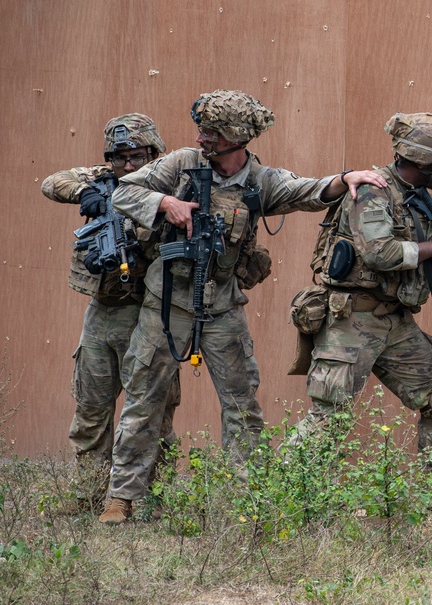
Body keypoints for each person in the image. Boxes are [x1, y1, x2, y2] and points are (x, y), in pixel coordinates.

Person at [98, 90, 386, 524]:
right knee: (143, 398)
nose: (202, 137)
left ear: (236, 137)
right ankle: (121, 498)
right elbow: (123, 193)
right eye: (202, 129)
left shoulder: (258, 181)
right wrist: (165, 202)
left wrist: (346, 179)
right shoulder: (180, 163)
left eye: (211, 131)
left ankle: (246, 503)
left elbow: (305, 191)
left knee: (241, 404)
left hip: (222, 308)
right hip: (167, 305)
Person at [288, 112, 432, 484]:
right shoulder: (373, 191)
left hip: (396, 323)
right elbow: (379, 254)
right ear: (427, 161)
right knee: (329, 419)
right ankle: (271, 507)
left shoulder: (420, 201)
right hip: (352, 320)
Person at [41, 113, 181, 514]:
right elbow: (53, 181)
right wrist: (90, 193)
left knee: (152, 411)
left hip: (148, 312)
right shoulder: (105, 177)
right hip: (102, 311)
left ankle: (155, 497)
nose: (128, 166)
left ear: (154, 152)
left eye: (136, 156)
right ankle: (87, 493)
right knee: (90, 408)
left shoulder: (168, 185)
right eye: (119, 158)